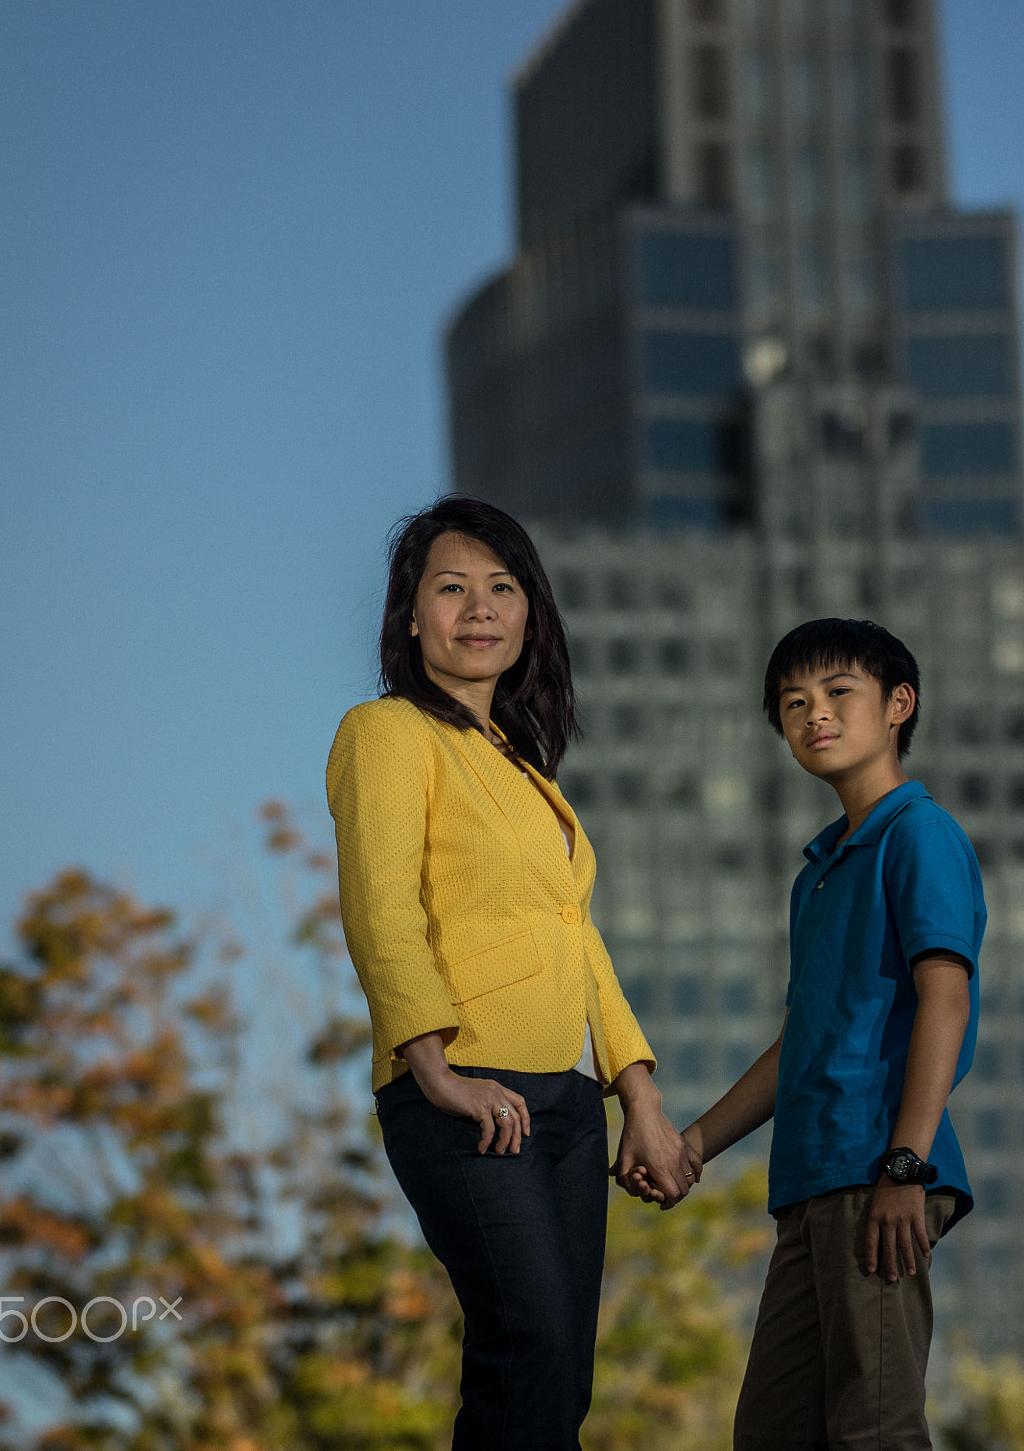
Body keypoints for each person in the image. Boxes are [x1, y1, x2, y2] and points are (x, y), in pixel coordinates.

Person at [326, 495, 699, 1451]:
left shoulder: (528, 769)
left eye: (502, 588)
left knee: (561, 1373)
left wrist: (640, 1096)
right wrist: (434, 1065)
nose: (479, 608)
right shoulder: (386, 732)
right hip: (468, 1092)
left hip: (572, 1105)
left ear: (530, 613)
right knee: (525, 1340)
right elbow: (380, 909)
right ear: (412, 615)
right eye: (451, 589)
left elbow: (580, 937)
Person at [659, 618, 986, 1451]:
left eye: (839, 692)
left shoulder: (918, 834)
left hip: (878, 1168)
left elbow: (944, 1001)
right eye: (793, 702)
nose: (815, 714)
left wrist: (906, 1165)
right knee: (771, 1430)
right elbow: (800, 1043)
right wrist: (695, 1141)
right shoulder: (818, 874)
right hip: (808, 1186)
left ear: (898, 704)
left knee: (873, 1427)